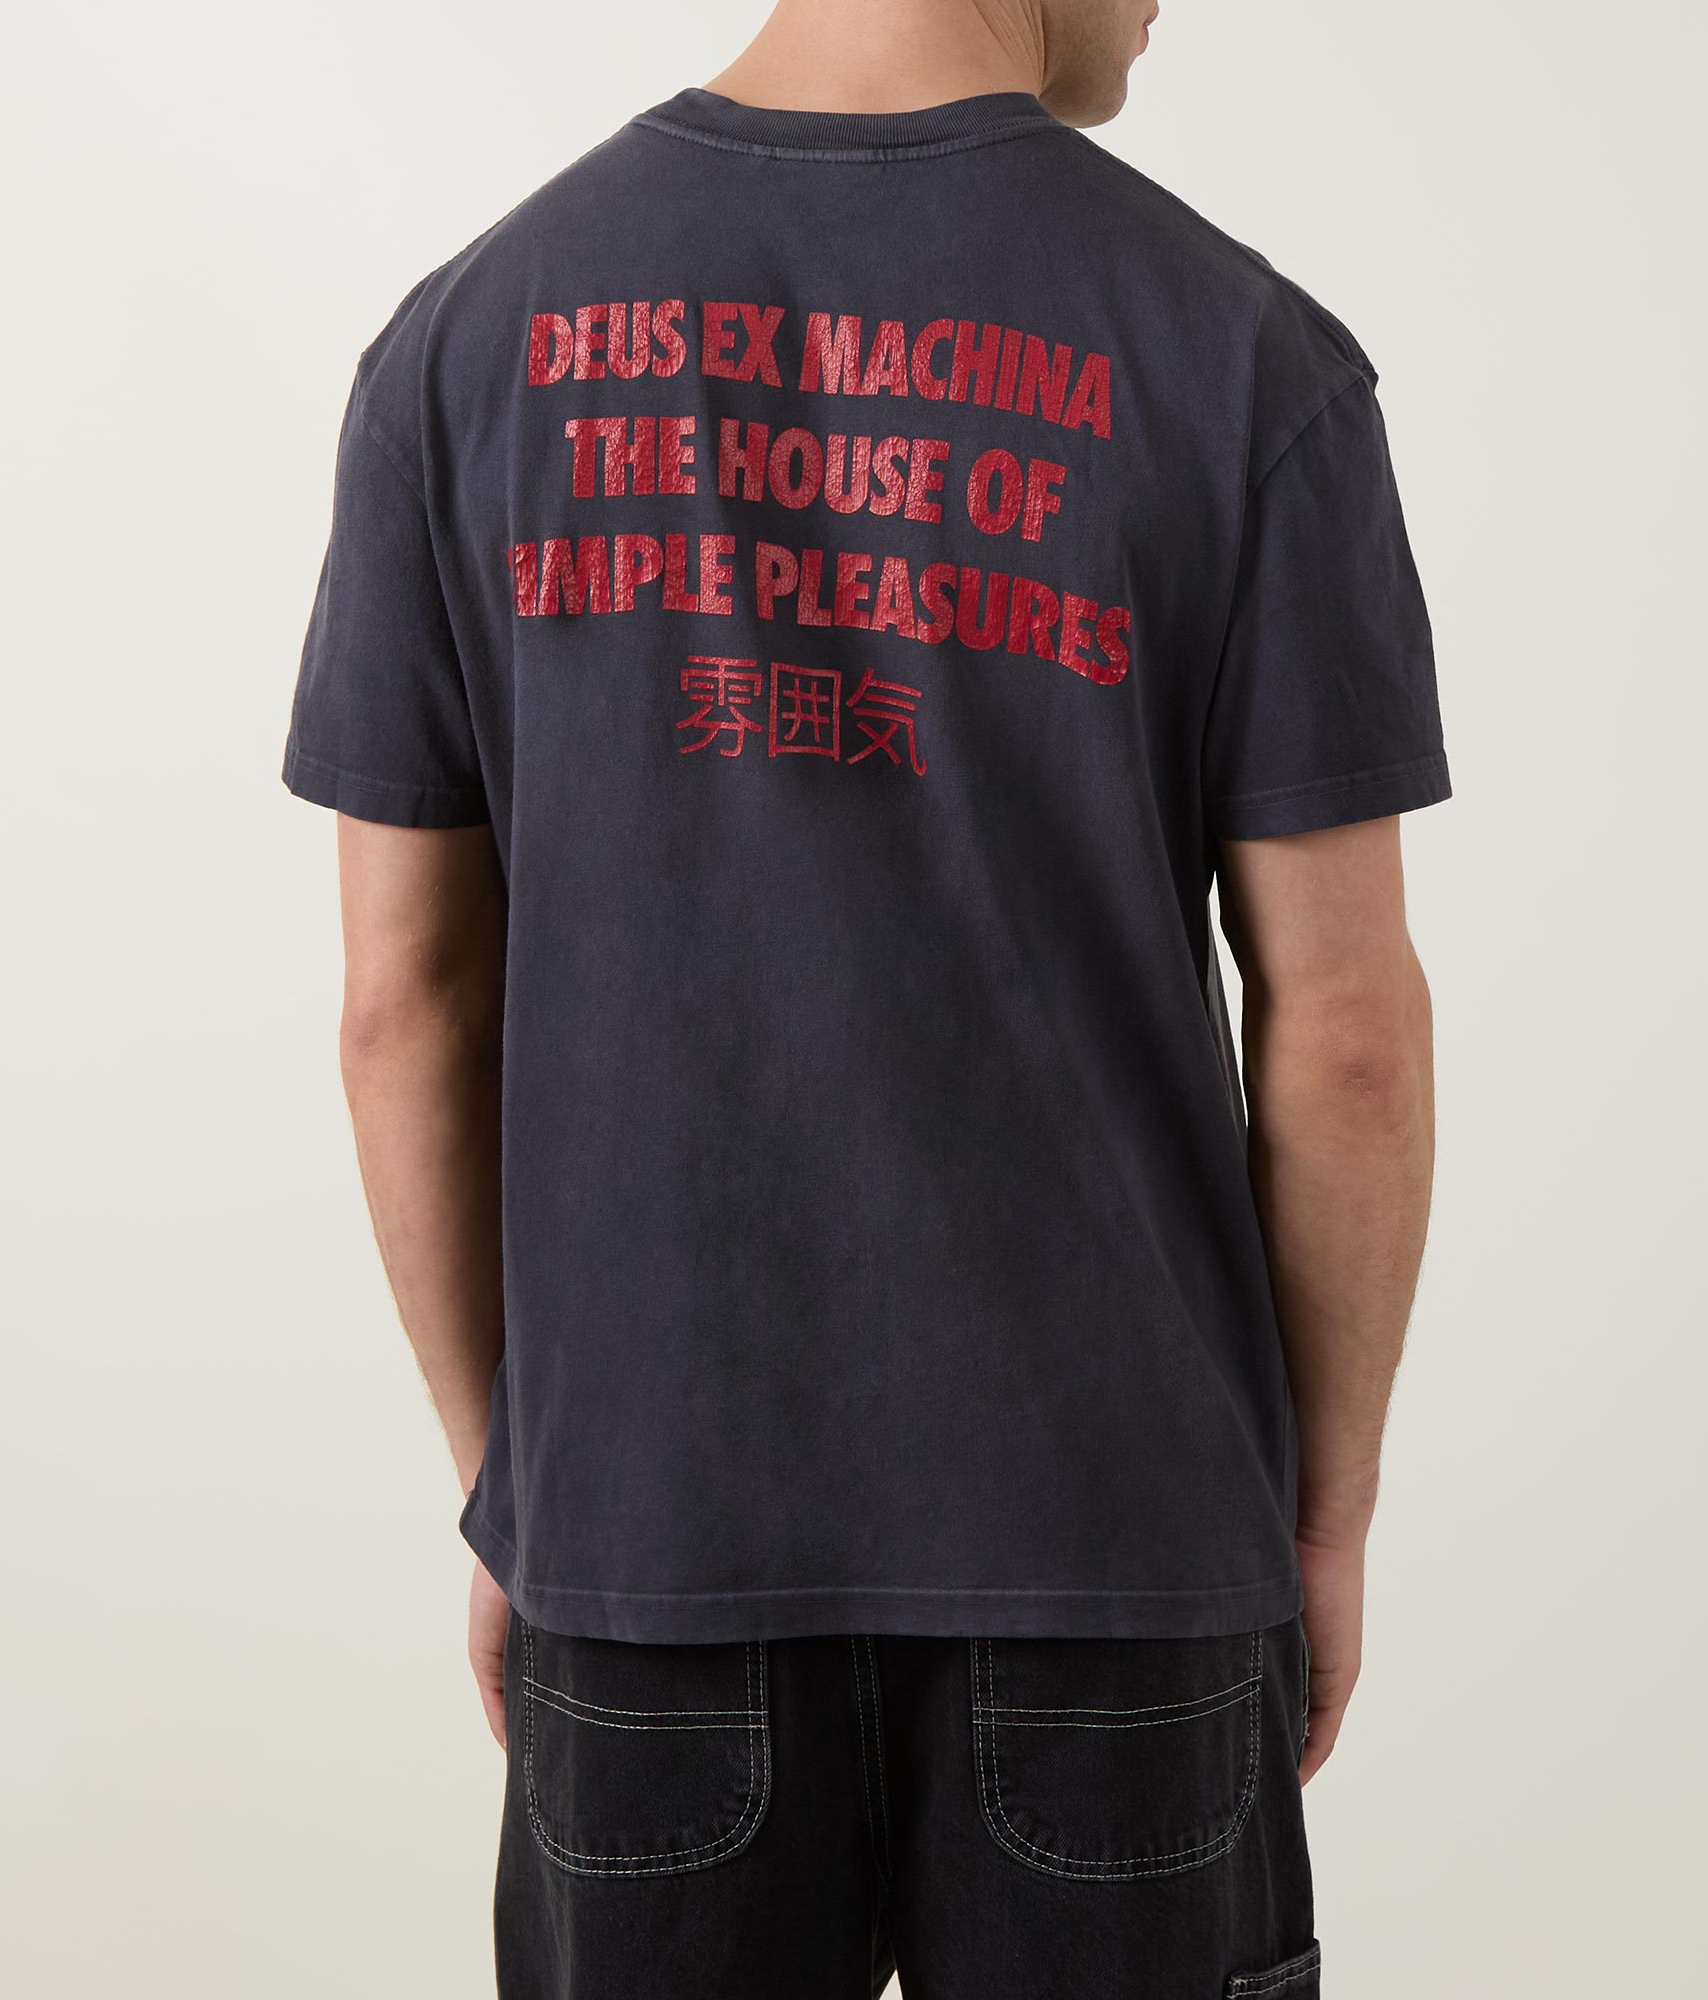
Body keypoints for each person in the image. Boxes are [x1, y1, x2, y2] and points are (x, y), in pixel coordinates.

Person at [282, 0, 1447, 1991]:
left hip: (648, 1529)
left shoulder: (467, 344)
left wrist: (520, 1488)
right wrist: (1322, 1509)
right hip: (1120, 1545)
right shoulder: (1243, 355)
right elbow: (1339, 1032)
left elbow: (404, 1003)